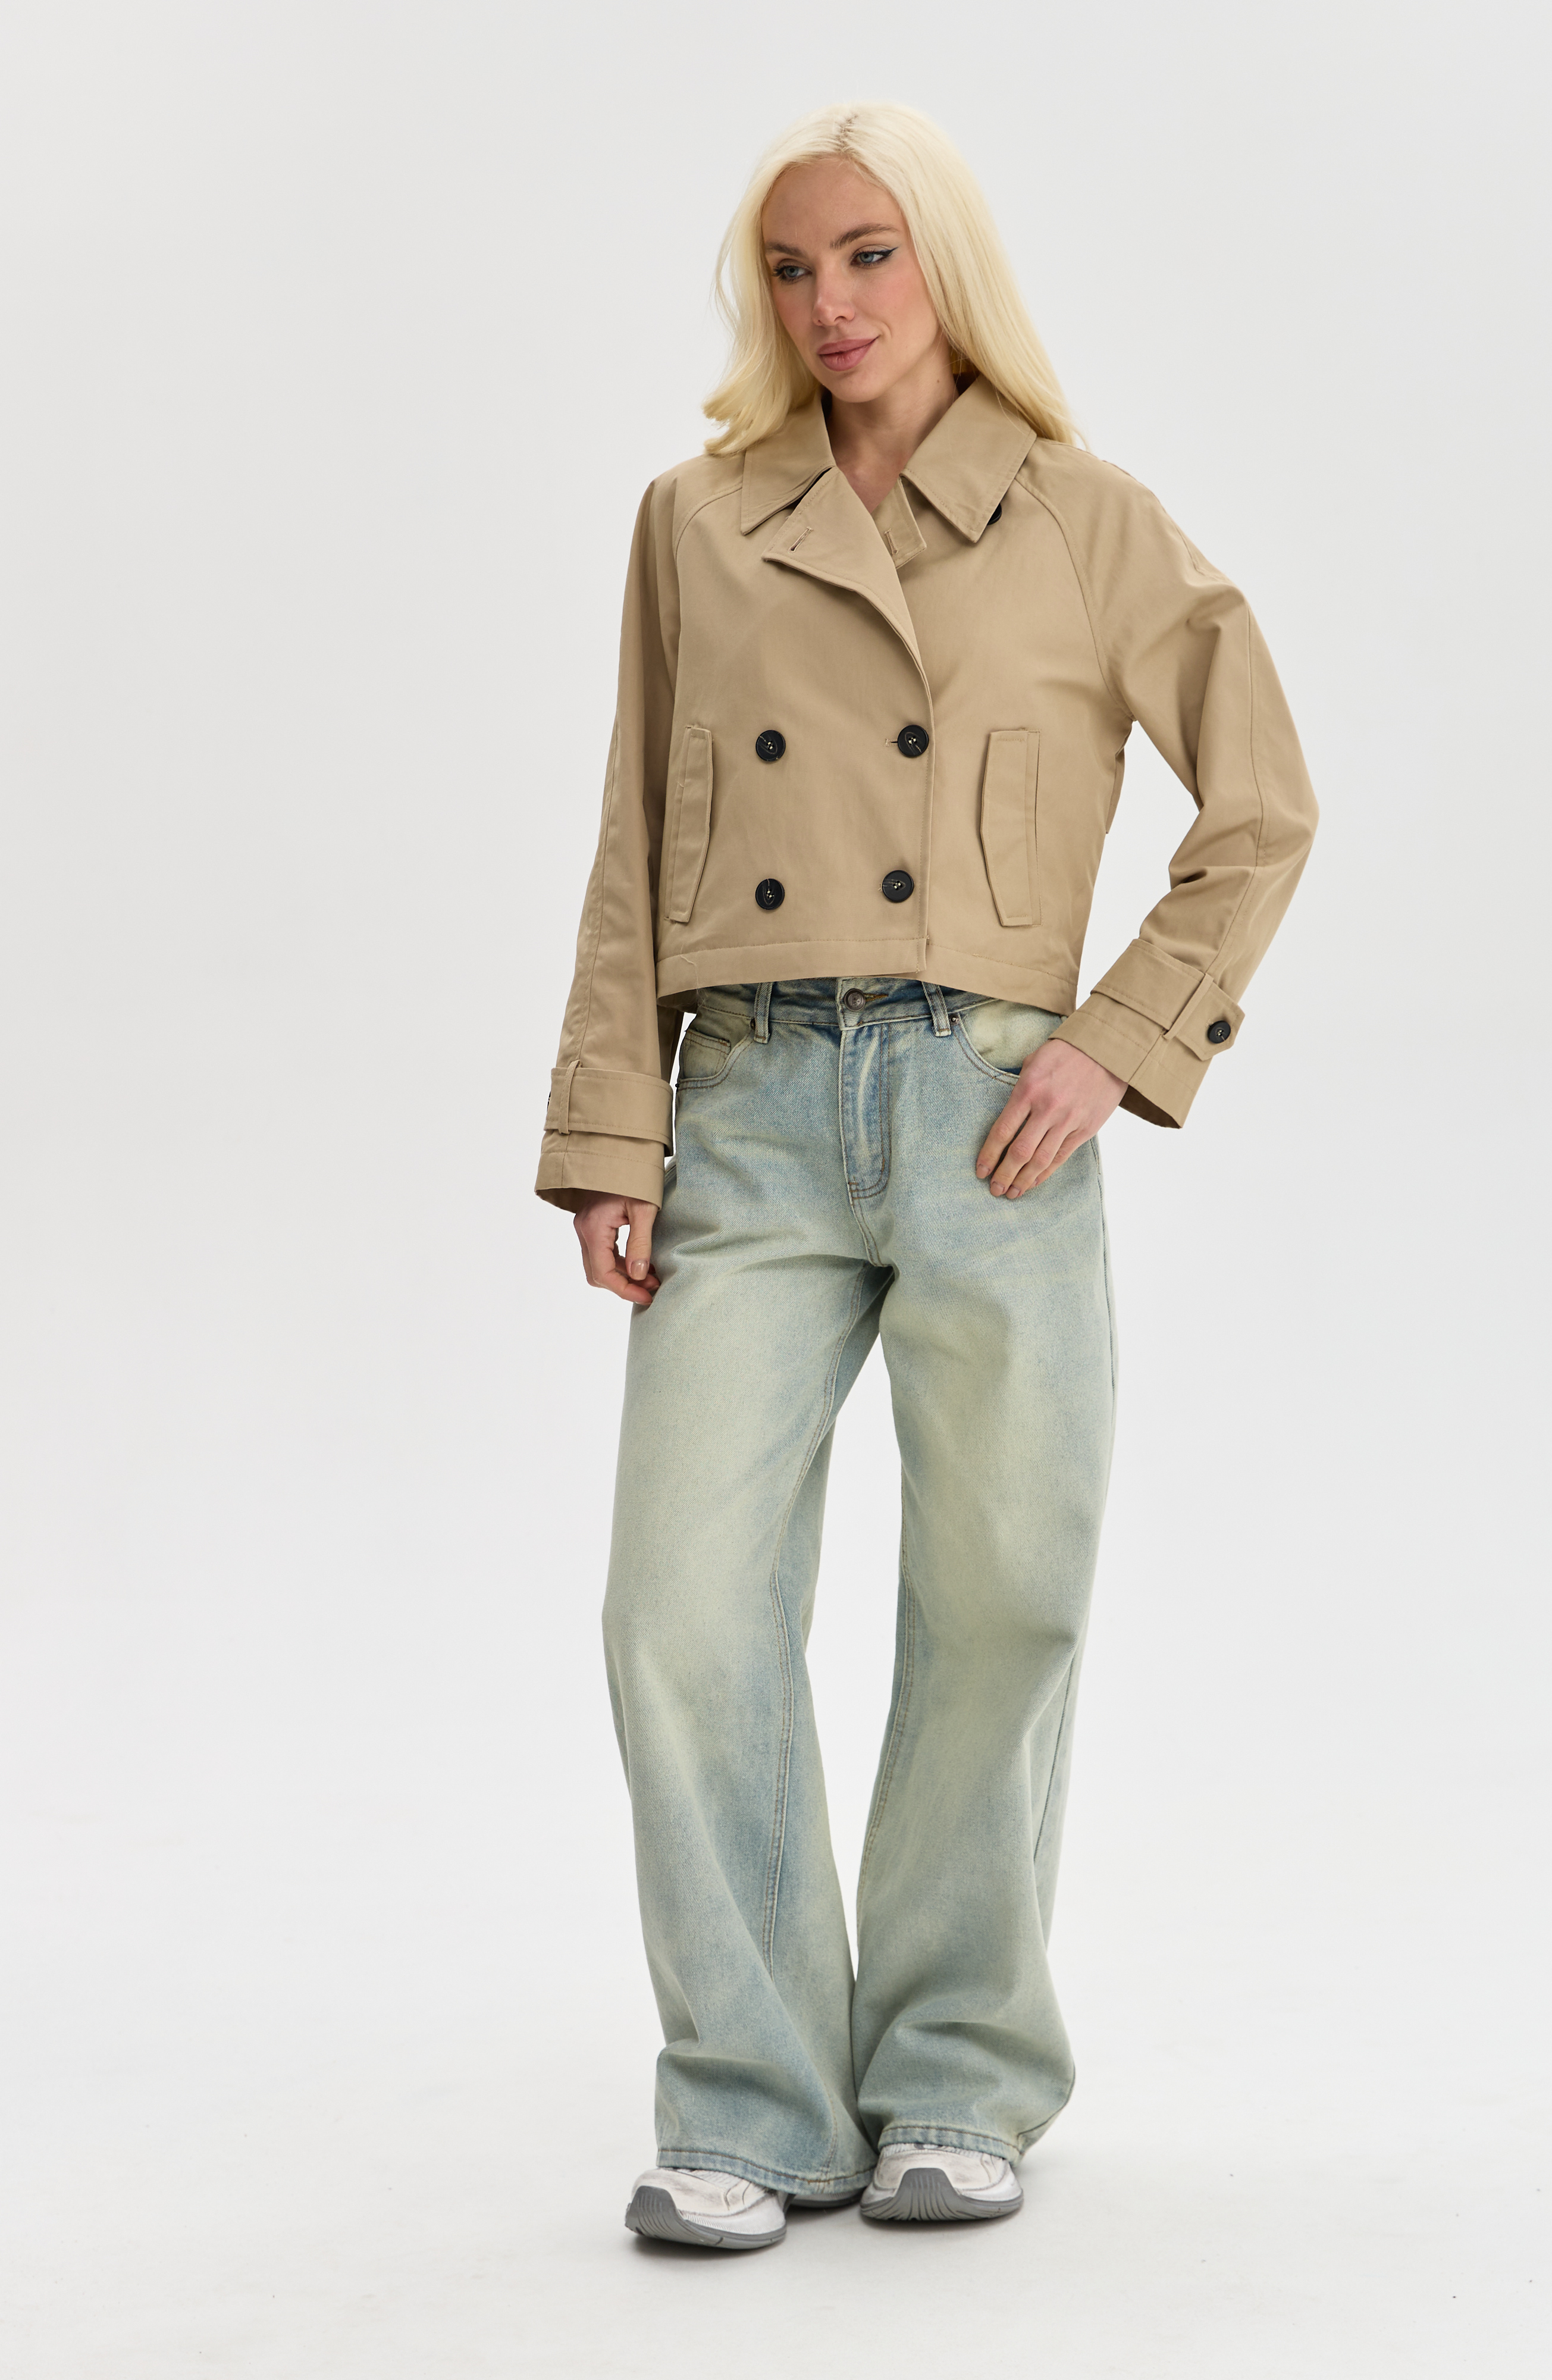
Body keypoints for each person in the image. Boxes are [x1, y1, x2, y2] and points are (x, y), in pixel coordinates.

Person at [535, 101, 1317, 2251]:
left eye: (869, 254)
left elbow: (1263, 803)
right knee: (679, 1608)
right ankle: (753, 2099)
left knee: (1002, 1599)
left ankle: (959, 2075)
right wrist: (609, 1124)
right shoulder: (699, 519)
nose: (831, 303)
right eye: (792, 269)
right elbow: (632, 835)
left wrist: (1119, 1038)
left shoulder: (1087, 518)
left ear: (946, 263)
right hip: (752, 1104)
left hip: (994, 1114)